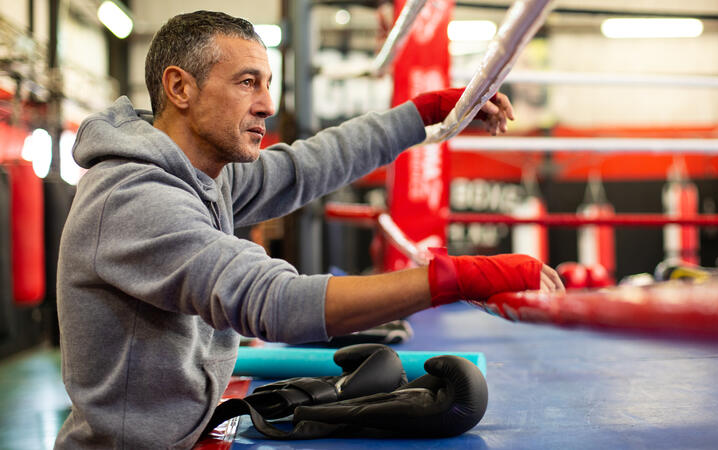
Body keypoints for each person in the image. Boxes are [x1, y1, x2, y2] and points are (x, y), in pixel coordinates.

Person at [55, 10, 563, 449]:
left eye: (267, 84)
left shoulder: (202, 173)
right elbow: (272, 300)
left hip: (188, 433)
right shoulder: (134, 198)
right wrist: (455, 278)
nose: (267, 104)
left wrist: (422, 116)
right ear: (180, 87)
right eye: (247, 82)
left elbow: (307, 166)